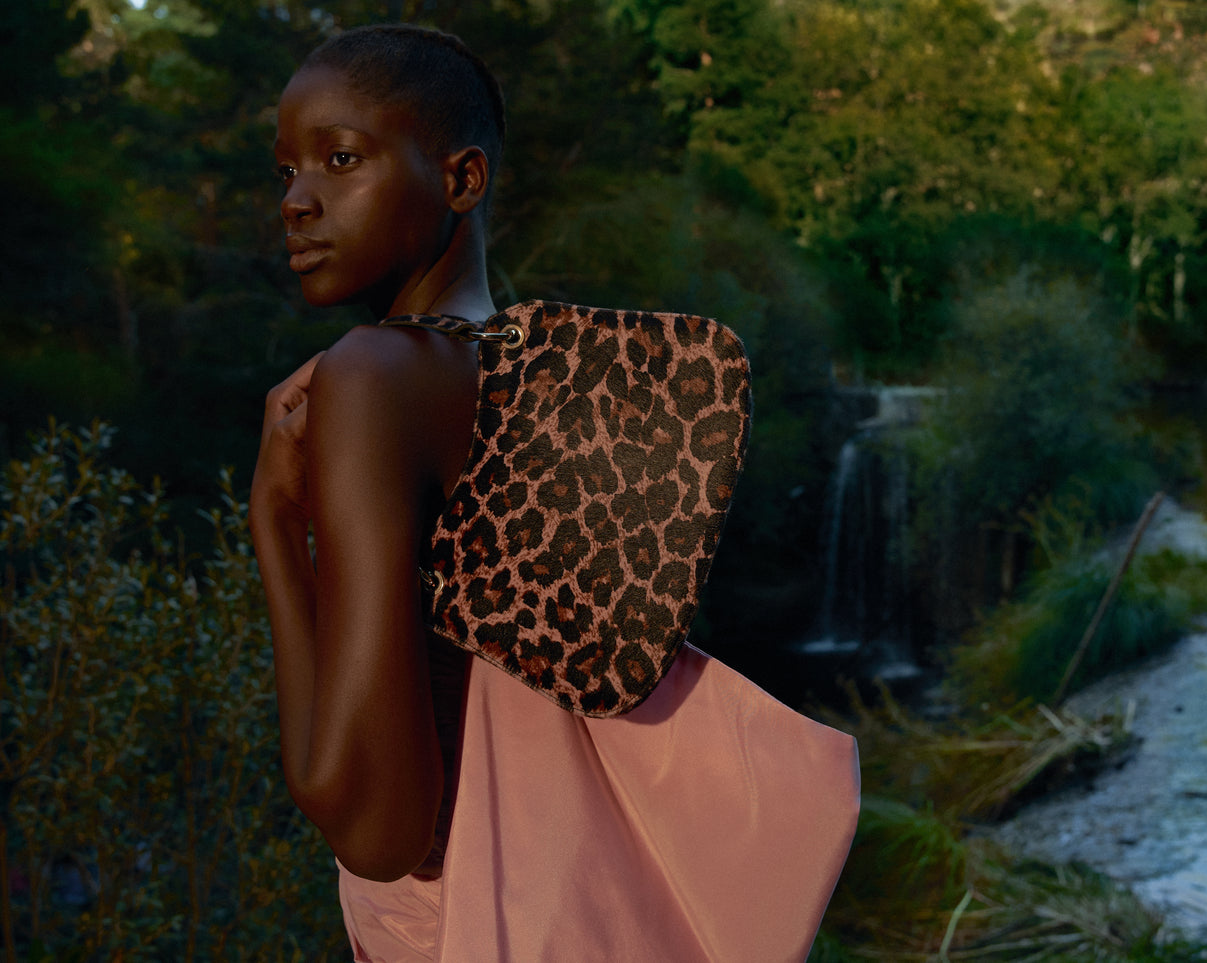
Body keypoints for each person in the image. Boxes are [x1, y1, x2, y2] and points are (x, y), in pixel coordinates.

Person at [251, 24, 858, 961]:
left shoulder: (370, 377)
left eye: (341, 159)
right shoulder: (534, 374)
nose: (297, 200)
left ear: (461, 180)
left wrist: (276, 525)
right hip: (574, 896)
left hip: (458, 910)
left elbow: (374, 831)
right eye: (287, 169)